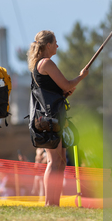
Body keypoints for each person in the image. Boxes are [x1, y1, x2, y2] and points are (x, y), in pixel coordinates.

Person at [27, 30, 88, 206]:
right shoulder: (46, 63)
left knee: (60, 162)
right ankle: (49, 202)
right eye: (55, 42)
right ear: (48, 45)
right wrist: (82, 76)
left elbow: (57, 90)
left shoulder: (40, 64)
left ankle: (55, 201)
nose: (57, 46)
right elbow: (67, 84)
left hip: (54, 117)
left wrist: (63, 92)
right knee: (54, 162)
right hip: (49, 119)